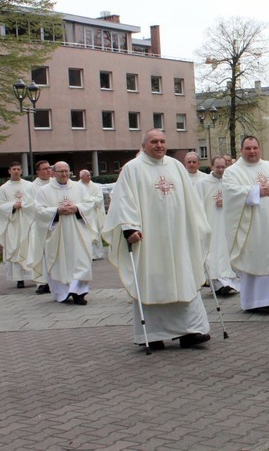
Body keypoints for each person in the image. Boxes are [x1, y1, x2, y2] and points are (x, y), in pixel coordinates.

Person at [103, 129, 212, 350]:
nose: (159, 145)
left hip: (178, 237)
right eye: (154, 142)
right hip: (149, 239)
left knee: (184, 278)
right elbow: (124, 201)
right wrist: (129, 229)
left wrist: (197, 226)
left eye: (163, 141)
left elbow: (191, 200)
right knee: (151, 281)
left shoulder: (176, 166)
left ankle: (190, 331)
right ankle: (152, 334)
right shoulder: (133, 169)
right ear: (144, 145)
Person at [222, 136, 269, 311]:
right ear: (241, 150)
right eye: (248, 148)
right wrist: (256, 190)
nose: (252, 151)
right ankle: (256, 302)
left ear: (259, 148)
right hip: (252, 228)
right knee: (255, 257)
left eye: (254, 148)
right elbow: (231, 192)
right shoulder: (233, 171)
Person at [30, 162, 93, 305]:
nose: (64, 174)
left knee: (81, 260)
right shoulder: (44, 190)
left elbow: (89, 204)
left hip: (77, 232)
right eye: (60, 172)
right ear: (54, 172)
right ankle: (63, 293)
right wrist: (56, 211)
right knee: (58, 262)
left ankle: (79, 292)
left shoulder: (79, 187)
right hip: (56, 233)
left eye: (66, 171)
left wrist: (77, 208)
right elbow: (39, 210)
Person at [196, 155, 241, 296]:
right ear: (212, 167)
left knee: (226, 253)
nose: (221, 170)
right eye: (218, 167)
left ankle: (228, 283)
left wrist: (227, 201)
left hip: (227, 225)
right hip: (211, 224)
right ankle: (217, 284)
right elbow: (196, 205)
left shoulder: (231, 182)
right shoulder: (202, 184)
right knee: (212, 254)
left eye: (223, 167)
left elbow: (239, 199)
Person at [0, 162, 35, 289]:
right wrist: (12, 206)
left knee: (29, 247)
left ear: (21, 171)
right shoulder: (3, 188)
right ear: (9, 171)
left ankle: (34, 276)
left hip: (27, 221)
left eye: (18, 169)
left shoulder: (29, 186)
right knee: (15, 247)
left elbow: (35, 201)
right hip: (12, 223)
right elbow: (0, 206)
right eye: (14, 169)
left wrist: (25, 205)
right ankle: (19, 279)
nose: (16, 171)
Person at [28, 160, 53, 295]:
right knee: (41, 253)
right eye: (44, 169)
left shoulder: (55, 184)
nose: (48, 171)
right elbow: (28, 206)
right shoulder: (31, 187)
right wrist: (46, 211)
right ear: (37, 172)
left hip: (55, 225)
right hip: (39, 226)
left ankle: (55, 281)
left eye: (49, 168)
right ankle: (42, 282)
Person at [79, 170, 106, 260]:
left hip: (92, 214)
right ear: (81, 177)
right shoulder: (76, 186)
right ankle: (85, 255)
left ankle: (96, 254)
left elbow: (99, 199)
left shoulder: (95, 187)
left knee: (94, 233)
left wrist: (88, 200)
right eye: (87, 176)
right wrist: (88, 201)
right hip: (82, 213)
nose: (89, 177)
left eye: (89, 175)